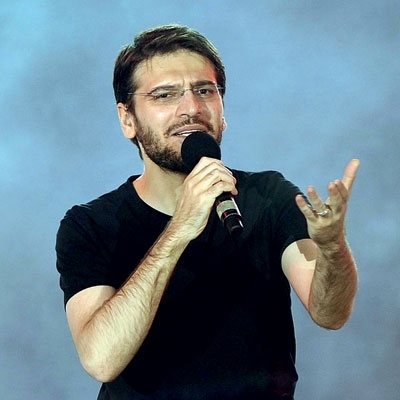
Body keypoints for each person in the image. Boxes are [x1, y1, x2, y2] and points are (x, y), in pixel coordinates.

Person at [56, 24, 360, 400]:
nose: (191, 109)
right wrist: (180, 228)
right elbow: (101, 359)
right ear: (127, 119)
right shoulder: (91, 225)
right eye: (165, 95)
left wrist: (332, 247)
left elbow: (331, 314)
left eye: (204, 91)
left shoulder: (269, 197)